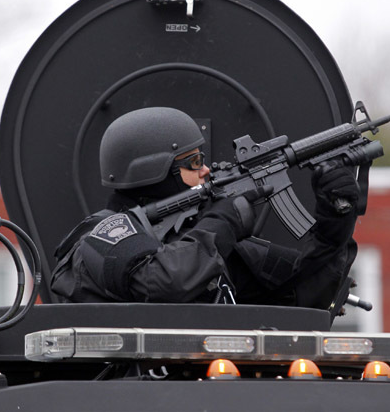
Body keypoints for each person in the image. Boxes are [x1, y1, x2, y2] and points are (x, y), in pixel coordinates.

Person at [51, 107, 359, 308]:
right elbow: (164, 282)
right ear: (154, 171)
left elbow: (307, 290)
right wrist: (223, 222)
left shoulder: (197, 242)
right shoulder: (101, 236)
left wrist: (335, 221)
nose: (207, 170)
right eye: (194, 162)